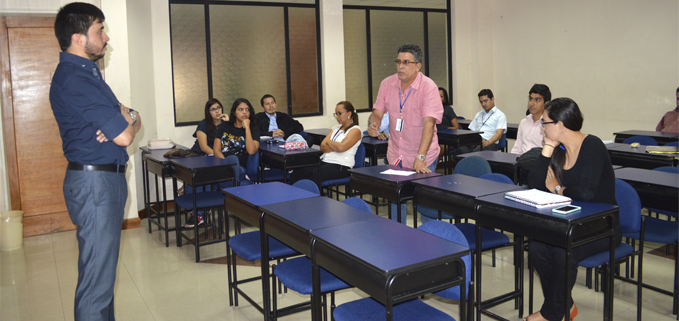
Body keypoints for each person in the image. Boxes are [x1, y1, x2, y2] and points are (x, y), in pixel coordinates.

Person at [50, 3, 141, 320]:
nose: (106, 37)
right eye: (100, 30)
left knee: (101, 279)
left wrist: (127, 118)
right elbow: (127, 136)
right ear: (78, 37)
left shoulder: (88, 75)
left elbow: (129, 120)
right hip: (95, 185)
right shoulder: (76, 80)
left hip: (103, 182)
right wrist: (124, 121)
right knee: (97, 286)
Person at [525, 98, 621, 321]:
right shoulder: (558, 150)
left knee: (562, 251)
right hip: (572, 222)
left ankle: (552, 313)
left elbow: (586, 192)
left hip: (603, 226)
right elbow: (535, 183)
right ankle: (564, 306)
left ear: (560, 125)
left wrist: (558, 189)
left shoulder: (593, 146)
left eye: (545, 123)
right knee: (538, 247)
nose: (543, 127)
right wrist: (548, 147)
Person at [368, 43, 442, 223]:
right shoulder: (387, 84)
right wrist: (373, 123)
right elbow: (378, 111)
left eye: (406, 62)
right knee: (396, 199)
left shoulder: (428, 87)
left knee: (426, 204)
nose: (400, 66)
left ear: (418, 66)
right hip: (396, 154)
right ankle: (397, 240)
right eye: (398, 61)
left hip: (422, 154)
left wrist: (421, 156)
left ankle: (430, 242)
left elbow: (429, 125)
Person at [290, 101, 362, 184]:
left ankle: (314, 196)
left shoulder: (355, 130)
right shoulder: (336, 128)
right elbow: (323, 146)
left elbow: (341, 148)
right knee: (299, 172)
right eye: (336, 114)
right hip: (326, 160)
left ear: (349, 113)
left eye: (339, 113)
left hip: (341, 165)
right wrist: (335, 144)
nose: (337, 117)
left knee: (313, 175)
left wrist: (330, 142)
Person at [214, 98, 261, 183]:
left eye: (247, 110)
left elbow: (251, 151)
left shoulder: (254, 129)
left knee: (235, 165)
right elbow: (216, 150)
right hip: (223, 164)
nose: (244, 112)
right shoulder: (224, 126)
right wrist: (226, 165)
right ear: (234, 112)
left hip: (239, 168)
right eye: (240, 109)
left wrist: (247, 128)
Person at [511, 84, 551, 154]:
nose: (532, 103)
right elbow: (517, 149)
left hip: (539, 162)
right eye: (531, 99)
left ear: (546, 104)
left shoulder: (549, 125)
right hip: (522, 161)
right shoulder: (524, 122)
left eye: (537, 100)